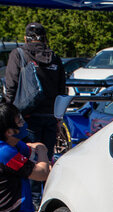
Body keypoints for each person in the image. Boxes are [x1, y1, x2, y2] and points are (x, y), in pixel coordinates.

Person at [2, 22, 66, 160]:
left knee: (29, 160)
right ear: (44, 38)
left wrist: (8, 115)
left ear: (26, 38)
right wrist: (58, 118)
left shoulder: (18, 54)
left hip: (27, 117)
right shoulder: (54, 57)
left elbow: (11, 86)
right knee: (46, 160)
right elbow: (62, 90)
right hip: (51, 115)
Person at [0, 103, 51, 212]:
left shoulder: (12, 144)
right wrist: (43, 151)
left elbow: (29, 148)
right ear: (9, 131)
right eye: (19, 121)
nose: (23, 123)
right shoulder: (5, 152)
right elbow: (41, 173)